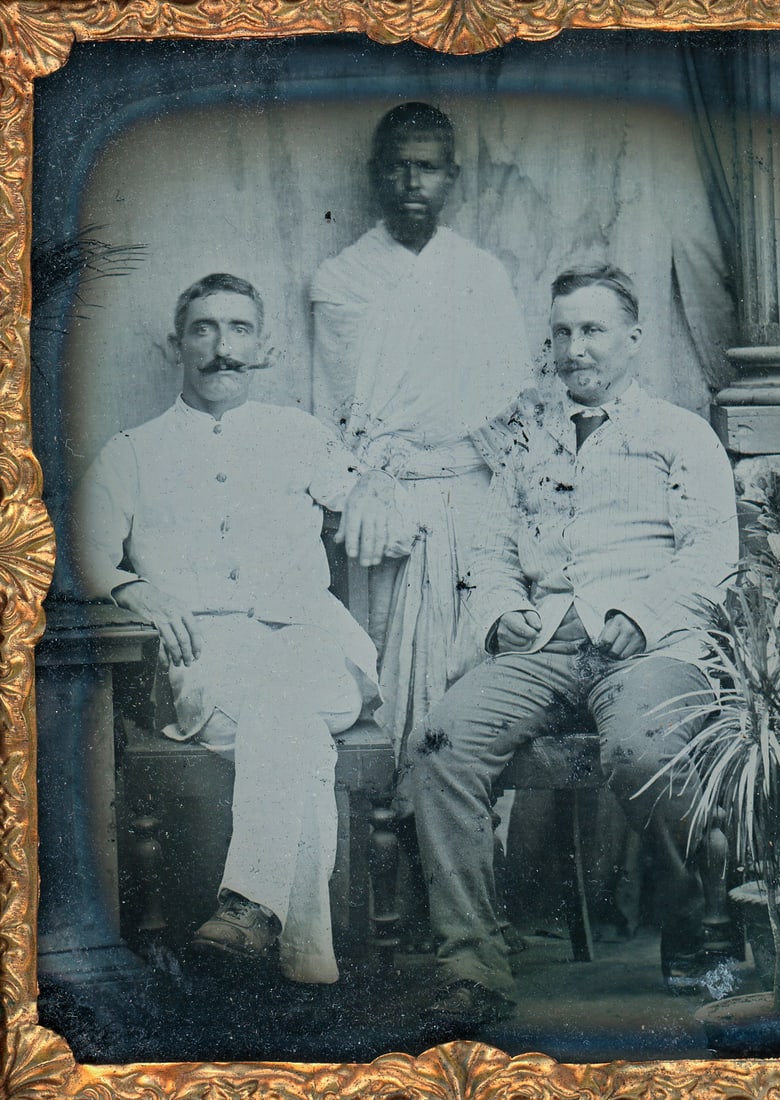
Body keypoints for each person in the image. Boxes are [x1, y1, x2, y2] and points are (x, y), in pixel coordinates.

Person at [407, 265, 740, 1028]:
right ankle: (471, 962)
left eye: (591, 330)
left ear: (632, 337)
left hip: (651, 645)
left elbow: (711, 551)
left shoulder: (677, 433)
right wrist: (500, 613)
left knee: (643, 753)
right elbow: (487, 553)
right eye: (560, 332)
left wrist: (642, 611)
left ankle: (696, 905)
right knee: (437, 743)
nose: (573, 348)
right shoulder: (527, 437)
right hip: (546, 641)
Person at [73, 273, 405, 985]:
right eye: (204, 329)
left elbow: (372, 492)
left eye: (239, 329)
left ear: (265, 347)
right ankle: (302, 960)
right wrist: (134, 587)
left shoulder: (301, 436)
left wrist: (376, 488)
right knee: (286, 719)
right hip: (210, 656)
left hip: (319, 648)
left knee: (284, 694)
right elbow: (81, 552)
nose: (222, 347)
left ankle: (248, 904)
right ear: (176, 344)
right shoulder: (132, 452)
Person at [309, 101, 531, 757]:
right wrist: (364, 488)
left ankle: (464, 837)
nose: (413, 184)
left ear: (451, 177)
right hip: (386, 498)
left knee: (473, 678)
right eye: (400, 168)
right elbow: (338, 415)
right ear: (377, 174)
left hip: (472, 500)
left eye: (428, 169)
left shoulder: (481, 277)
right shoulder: (342, 281)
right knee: (383, 677)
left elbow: (509, 405)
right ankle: (395, 827)